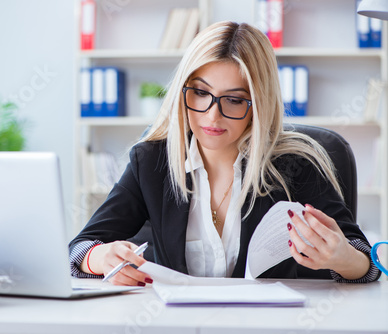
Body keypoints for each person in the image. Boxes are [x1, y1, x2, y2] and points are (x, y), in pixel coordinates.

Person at [69, 21, 381, 286]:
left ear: (258, 105)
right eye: (201, 93)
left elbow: (365, 263)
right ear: (183, 90)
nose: (211, 116)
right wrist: (98, 258)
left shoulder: (297, 164)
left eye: (233, 100)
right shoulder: (151, 162)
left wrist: (343, 258)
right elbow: (78, 249)